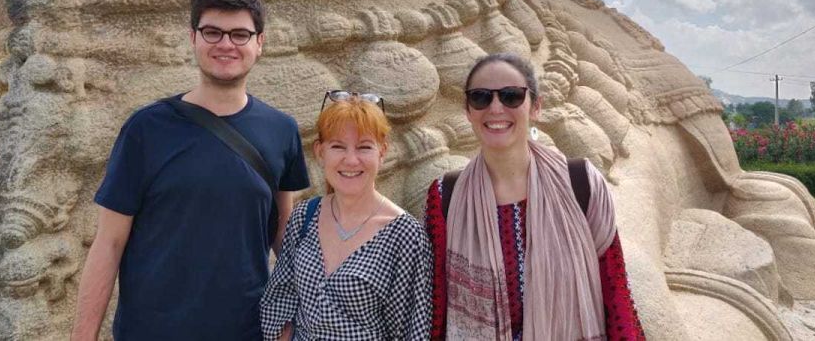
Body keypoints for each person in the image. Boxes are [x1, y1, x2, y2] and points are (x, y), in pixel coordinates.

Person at [71, 0, 310, 340]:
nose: (226, 44)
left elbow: (284, 235)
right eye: (212, 32)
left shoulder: (282, 130)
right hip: (151, 331)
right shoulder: (146, 129)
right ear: (193, 37)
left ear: (259, 43)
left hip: (246, 330)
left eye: (240, 34)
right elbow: (109, 243)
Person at [425, 53, 645, 340]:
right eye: (480, 97)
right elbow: (437, 311)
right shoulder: (445, 196)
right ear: (468, 110)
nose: (495, 108)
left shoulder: (580, 183)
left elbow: (616, 295)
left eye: (511, 96)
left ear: (536, 107)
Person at [261, 91, 432, 340]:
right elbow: (280, 298)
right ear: (320, 152)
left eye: (364, 147)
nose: (351, 160)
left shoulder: (404, 235)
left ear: (382, 151)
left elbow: (411, 330)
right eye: (338, 146)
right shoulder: (304, 217)